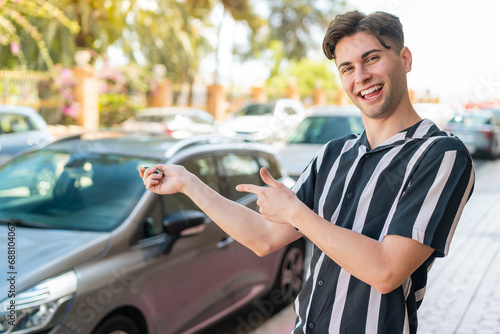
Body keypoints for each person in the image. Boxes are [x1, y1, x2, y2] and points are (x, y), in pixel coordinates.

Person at [140, 10, 475, 334]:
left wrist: (298, 213)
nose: (360, 76)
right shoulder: (333, 154)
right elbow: (264, 237)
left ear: (405, 58)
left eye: (371, 59)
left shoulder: (441, 154)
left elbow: (386, 271)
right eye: (347, 68)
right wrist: (188, 183)